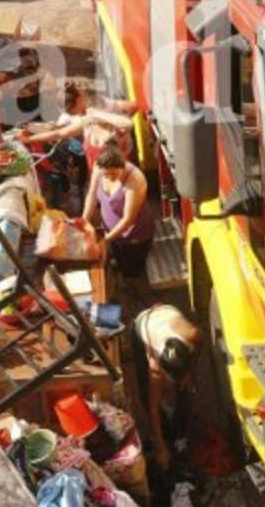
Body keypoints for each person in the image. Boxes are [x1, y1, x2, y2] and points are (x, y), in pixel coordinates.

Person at [82, 144, 156, 304]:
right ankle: (127, 283)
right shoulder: (98, 168)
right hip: (112, 233)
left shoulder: (134, 180)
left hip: (134, 236)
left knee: (133, 271)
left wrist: (105, 240)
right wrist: (83, 221)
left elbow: (128, 219)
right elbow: (92, 196)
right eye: (105, 175)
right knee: (120, 262)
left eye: (114, 174)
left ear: (123, 167)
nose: (109, 178)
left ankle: (144, 298)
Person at [134, 303, 203, 471]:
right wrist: (161, 447)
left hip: (164, 311)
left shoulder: (193, 334)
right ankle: (164, 433)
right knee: (148, 394)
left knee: (183, 388)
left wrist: (189, 373)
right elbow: (153, 409)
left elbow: (200, 344)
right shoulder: (155, 366)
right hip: (144, 323)